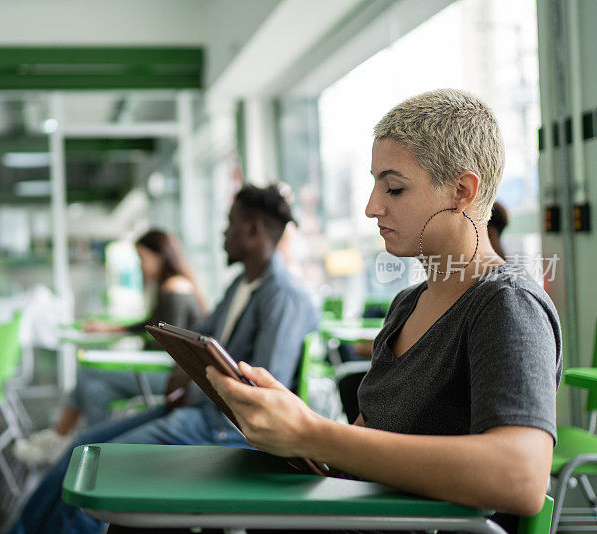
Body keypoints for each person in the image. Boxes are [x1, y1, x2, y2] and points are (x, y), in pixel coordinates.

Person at [207, 89, 561, 533]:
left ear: (461, 191)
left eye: (393, 187)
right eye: (375, 184)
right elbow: (360, 446)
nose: (373, 206)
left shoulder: (506, 304)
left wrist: (313, 433)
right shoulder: (406, 306)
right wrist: (290, 422)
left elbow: (521, 477)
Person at [8, 184, 319, 534]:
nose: (223, 232)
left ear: (252, 231)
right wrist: (183, 372)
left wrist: (194, 387)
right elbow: (201, 334)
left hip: (223, 427)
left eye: (229, 223)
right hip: (202, 412)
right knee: (85, 448)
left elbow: (262, 392)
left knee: (100, 473)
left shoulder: (282, 297)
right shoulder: (242, 285)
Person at [14, 229, 207, 465]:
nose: (140, 267)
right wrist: (110, 329)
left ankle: (61, 439)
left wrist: (114, 334)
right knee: (96, 390)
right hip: (163, 370)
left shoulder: (174, 289)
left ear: (160, 256)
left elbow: (163, 338)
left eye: (142, 259)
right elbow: (151, 326)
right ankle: (96, 456)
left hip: (168, 375)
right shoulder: (175, 287)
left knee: (87, 372)